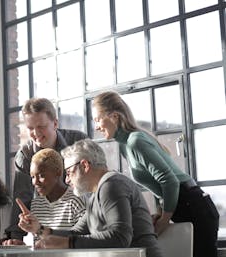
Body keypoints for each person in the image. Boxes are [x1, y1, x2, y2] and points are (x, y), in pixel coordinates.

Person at [92, 91, 219, 257]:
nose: (96, 126)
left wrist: (164, 221)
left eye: (97, 119)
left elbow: (170, 181)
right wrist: (160, 212)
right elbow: (159, 185)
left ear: (115, 116)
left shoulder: (134, 141)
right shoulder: (125, 146)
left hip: (194, 206)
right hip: (186, 206)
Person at [17, 139, 163, 257]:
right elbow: (76, 232)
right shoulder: (97, 194)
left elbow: (120, 237)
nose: (67, 180)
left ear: (85, 165)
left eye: (68, 173)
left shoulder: (112, 185)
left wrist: (68, 243)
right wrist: (40, 229)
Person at [6, 97, 88, 240]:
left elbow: (93, 182)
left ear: (55, 123)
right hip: (47, 220)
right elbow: (22, 197)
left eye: (41, 127)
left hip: (81, 217)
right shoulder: (25, 155)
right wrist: (16, 238)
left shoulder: (78, 141)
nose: (36, 133)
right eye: (30, 128)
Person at [3, 148, 86, 245]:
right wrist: (23, 247)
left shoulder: (76, 200)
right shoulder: (36, 204)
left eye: (41, 175)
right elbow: (40, 245)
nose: (35, 182)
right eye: (33, 177)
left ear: (58, 173)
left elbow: (82, 241)